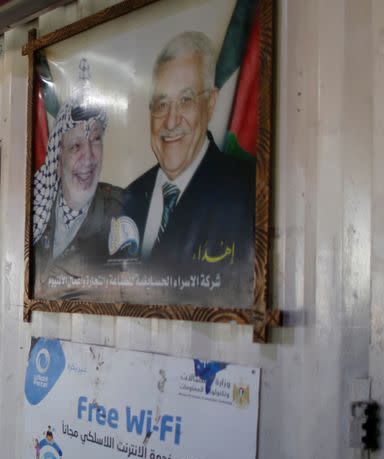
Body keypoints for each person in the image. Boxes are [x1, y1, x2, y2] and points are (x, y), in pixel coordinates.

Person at [124, 31, 255, 305]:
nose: (171, 121)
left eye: (185, 100)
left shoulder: (246, 193)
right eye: (161, 104)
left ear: (210, 102)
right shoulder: (126, 200)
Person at [32, 59, 129, 298]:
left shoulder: (121, 209)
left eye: (95, 140)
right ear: (58, 157)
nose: (88, 158)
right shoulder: (36, 210)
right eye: (75, 146)